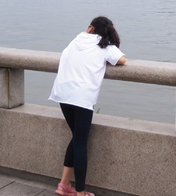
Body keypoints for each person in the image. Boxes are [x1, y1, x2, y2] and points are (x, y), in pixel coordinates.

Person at [49, 16, 126, 196]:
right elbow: (121, 60)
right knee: (81, 142)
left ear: (90, 28)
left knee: (77, 137)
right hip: (82, 98)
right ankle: (81, 193)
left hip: (62, 93)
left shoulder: (78, 39)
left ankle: (64, 185)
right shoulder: (105, 46)